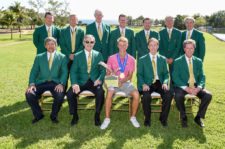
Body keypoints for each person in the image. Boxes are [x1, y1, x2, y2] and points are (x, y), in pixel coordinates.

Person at [100, 37, 140, 130]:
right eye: (120, 45)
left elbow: (130, 76)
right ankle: (107, 119)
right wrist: (111, 73)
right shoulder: (111, 58)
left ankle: (133, 117)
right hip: (113, 81)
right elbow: (108, 74)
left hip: (126, 82)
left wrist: (122, 81)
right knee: (109, 92)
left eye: (124, 45)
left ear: (127, 45)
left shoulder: (131, 59)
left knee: (136, 95)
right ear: (118, 45)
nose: (122, 46)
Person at [25, 37, 68, 124]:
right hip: (41, 83)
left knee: (60, 96)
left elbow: (64, 72)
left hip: (55, 83)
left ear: (56, 45)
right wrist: (32, 84)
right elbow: (34, 71)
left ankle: (54, 116)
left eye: (52, 44)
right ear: (45, 46)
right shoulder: (39, 57)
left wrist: (62, 84)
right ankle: (38, 115)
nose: (50, 46)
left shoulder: (62, 57)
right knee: (29, 94)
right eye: (48, 44)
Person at [67, 35, 106, 126]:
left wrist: (99, 79)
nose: (89, 44)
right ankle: (74, 115)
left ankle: (97, 115)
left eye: (91, 42)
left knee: (100, 92)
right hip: (81, 82)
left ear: (94, 43)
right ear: (83, 43)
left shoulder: (98, 55)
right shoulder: (77, 55)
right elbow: (73, 71)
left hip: (94, 81)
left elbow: (102, 70)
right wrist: (74, 83)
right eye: (87, 42)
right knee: (70, 93)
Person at [173, 39, 212, 128]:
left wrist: (198, 88)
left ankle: (198, 117)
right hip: (182, 85)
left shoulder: (198, 61)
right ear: (184, 49)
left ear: (194, 49)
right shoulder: (178, 61)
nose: (189, 50)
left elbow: (202, 76)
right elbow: (175, 77)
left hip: (195, 85)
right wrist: (187, 89)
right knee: (178, 96)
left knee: (208, 95)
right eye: (187, 48)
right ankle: (183, 117)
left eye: (191, 48)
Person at [137, 38, 173, 127]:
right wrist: (143, 84)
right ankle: (147, 118)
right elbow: (139, 74)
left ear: (158, 46)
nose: (153, 47)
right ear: (148, 47)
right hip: (147, 83)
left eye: (155, 45)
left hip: (159, 82)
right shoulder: (142, 59)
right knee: (146, 96)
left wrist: (165, 82)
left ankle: (163, 118)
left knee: (168, 95)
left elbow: (166, 74)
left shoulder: (162, 59)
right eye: (151, 45)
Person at [60, 14, 84, 89]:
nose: (73, 21)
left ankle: (77, 90)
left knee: (77, 74)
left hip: (77, 57)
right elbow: (62, 45)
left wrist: (75, 54)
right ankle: (63, 92)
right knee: (65, 75)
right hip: (66, 57)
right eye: (71, 19)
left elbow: (82, 44)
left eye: (75, 19)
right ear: (69, 21)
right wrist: (69, 54)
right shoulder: (63, 31)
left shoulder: (81, 31)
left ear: (77, 21)